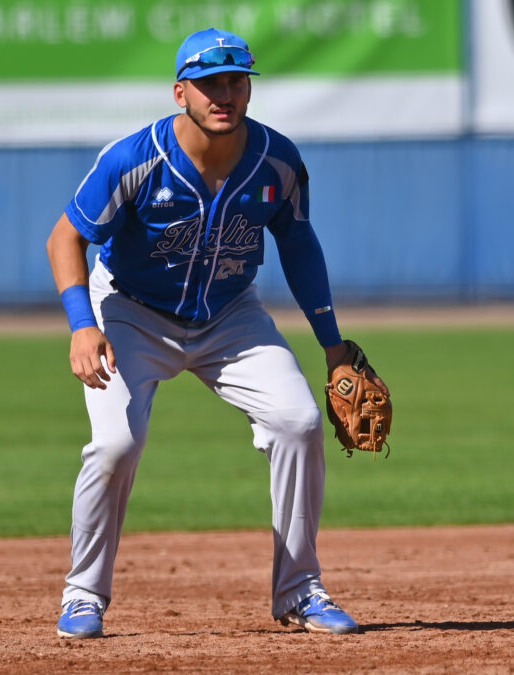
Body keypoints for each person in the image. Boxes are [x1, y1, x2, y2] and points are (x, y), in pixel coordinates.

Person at [45, 27, 389, 638]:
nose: (223, 94)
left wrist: (335, 348)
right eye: (208, 84)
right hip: (130, 310)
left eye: (236, 81)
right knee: (116, 447)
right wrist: (82, 326)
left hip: (231, 315)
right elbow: (66, 237)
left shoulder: (277, 160)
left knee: (301, 422)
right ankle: (83, 596)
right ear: (181, 93)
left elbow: (299, 244)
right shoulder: (134, 158)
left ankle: (300, 591)